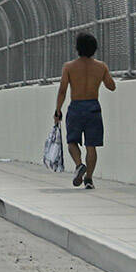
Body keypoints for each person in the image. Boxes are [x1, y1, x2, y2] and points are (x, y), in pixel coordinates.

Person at [53, 32, 116, 188]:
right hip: (93, 107)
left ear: (77, 48)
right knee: (91, 145)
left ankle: (79, 164)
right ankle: (89, 179)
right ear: (94, 49)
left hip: (76, 107)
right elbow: (112, 86)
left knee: (72, 141)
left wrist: (58, 110)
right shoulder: (101, 67)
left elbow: (62, 90)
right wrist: (102, 75)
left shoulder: (69, 67)